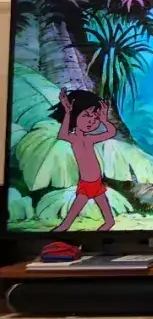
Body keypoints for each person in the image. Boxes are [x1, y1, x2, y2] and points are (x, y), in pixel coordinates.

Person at [51, 89, 117, 232]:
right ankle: (61, 229)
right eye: (86, 115)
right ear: (75, 115)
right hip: (86, 184)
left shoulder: (90, 138)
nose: (91, 121)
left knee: (108, 217)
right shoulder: (74, 138)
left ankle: (101, 230)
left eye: (95, 118)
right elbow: (62, 134)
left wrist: (104, 120)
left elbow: (111, 132)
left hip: (97, 183)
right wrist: (68, 112)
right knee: (70, 217)